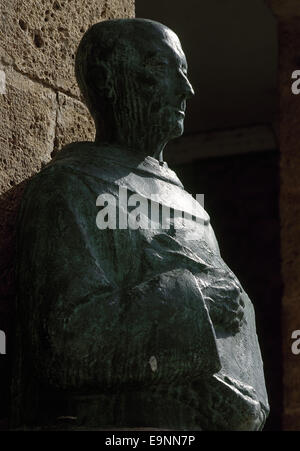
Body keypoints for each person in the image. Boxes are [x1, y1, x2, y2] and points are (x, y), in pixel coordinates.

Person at [11, 19, 269, 430]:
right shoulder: (69, 188)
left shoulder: (190, 206)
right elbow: (65, 342)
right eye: (162, 68)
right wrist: (195, 298)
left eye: (185, 71)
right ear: (105, 80)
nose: (186, 89)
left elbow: (232, 314)